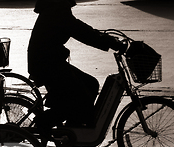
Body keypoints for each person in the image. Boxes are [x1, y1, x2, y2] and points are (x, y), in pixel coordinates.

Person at [27, 0, 125, 129]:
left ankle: (74, 126)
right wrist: (111, 43)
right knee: (79, 97)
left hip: (49, 62)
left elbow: (80, 28)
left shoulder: (55, 7)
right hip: (46, 65)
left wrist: (107, 39)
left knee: (90, 84)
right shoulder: (57, 10)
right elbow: (81, 32)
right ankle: (42, 124)